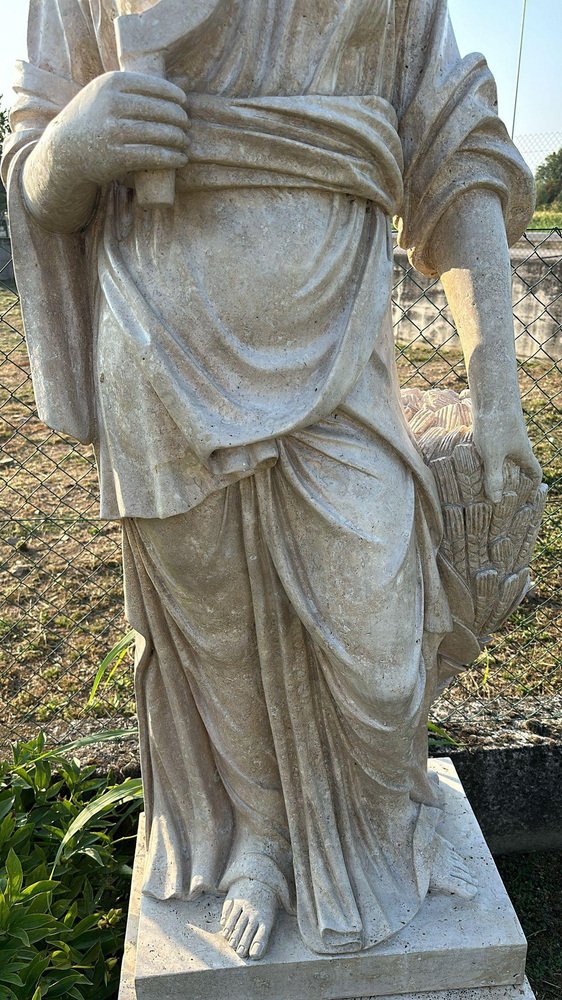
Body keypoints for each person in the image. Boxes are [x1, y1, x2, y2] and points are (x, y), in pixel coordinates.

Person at [3, 0, 540, 963]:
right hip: (156, 337)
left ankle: (389, 818)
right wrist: (68, 153)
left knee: (380, 645)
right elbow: (36, 156)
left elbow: (452, 147)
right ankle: (259, 840)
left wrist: (494, 378)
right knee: (215, 634)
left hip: (336, 332)